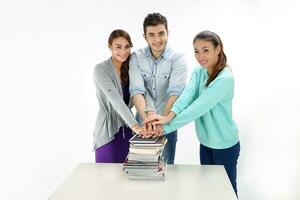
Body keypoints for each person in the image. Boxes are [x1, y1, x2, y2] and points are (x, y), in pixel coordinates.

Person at [144, 31, 240, 196]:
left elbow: (197, 108)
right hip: (206, 143)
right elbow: (186, 97)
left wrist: (164, 128)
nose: (200, 56)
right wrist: (169, 116)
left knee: (227, 193)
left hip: (225, 145)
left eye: (205, 50)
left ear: (218, 49)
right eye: (196, 51)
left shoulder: (225, 78)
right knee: (208, 192)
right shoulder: (199, 71)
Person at [129, 13, 188, 164]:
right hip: (143, 122)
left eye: (161, 33)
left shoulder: (178, 59)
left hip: (167, 122)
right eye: (152, 35)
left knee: (165, 168)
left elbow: (175, 93)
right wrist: (149, 120)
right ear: (145, 36)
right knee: (141, 168)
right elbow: (137, 91)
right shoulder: (136, 57)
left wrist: (160, 121)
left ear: (168, 32)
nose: (157, 40)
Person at [93, 29, 143, 163]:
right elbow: (116, 100)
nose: (123, 51)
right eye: (118, 47)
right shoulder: (100, 69)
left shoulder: (132, 69)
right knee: (107, 177)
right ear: (109, 47)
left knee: (127, 178)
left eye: (127, 47)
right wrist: (136, 126)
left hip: (128, 131)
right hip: (109, 131)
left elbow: (141, 94)